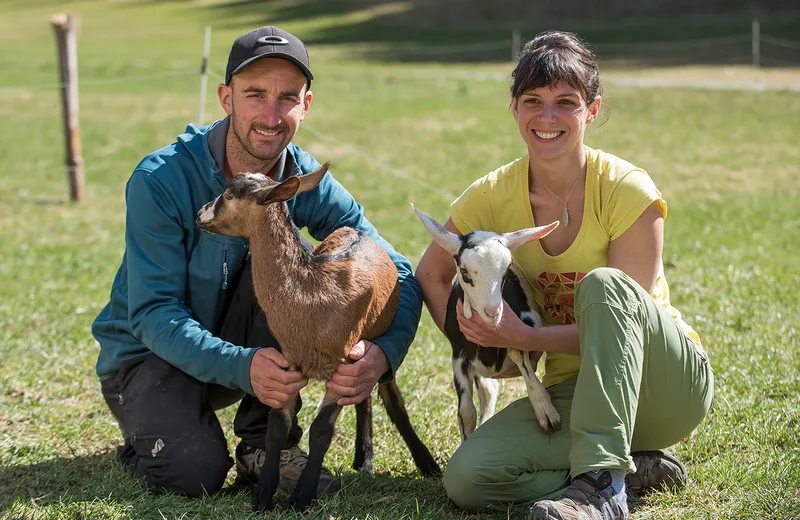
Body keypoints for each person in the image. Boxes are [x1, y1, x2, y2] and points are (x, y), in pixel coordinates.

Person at [92, 26, 422, 498]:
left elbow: (397, 269)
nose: (271, 115)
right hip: (151, 357)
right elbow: (152, 313)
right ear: (226, 98)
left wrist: (384, 353)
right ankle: (147, 436)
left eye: (287, 97)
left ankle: (262, 444)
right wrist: (244, 367)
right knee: (194, 476)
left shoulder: (299, 177)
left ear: (306, 105)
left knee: (293, 271)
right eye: (254, 95)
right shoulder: (160, 180)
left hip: (247, 358)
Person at [415, 31, 713, 520]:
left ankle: (601, 490)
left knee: (605, 286)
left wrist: (525, 335)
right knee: (467, 479)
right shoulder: (490, 194)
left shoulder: (627, 189)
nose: (547, 117)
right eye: (533, 100)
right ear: (514, 107)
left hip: (664, 385)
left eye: (566, 102)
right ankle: (634, 468)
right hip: (575, 392)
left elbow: (624, 322)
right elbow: (431, 273)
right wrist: (482, 345)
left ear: (591, 111)